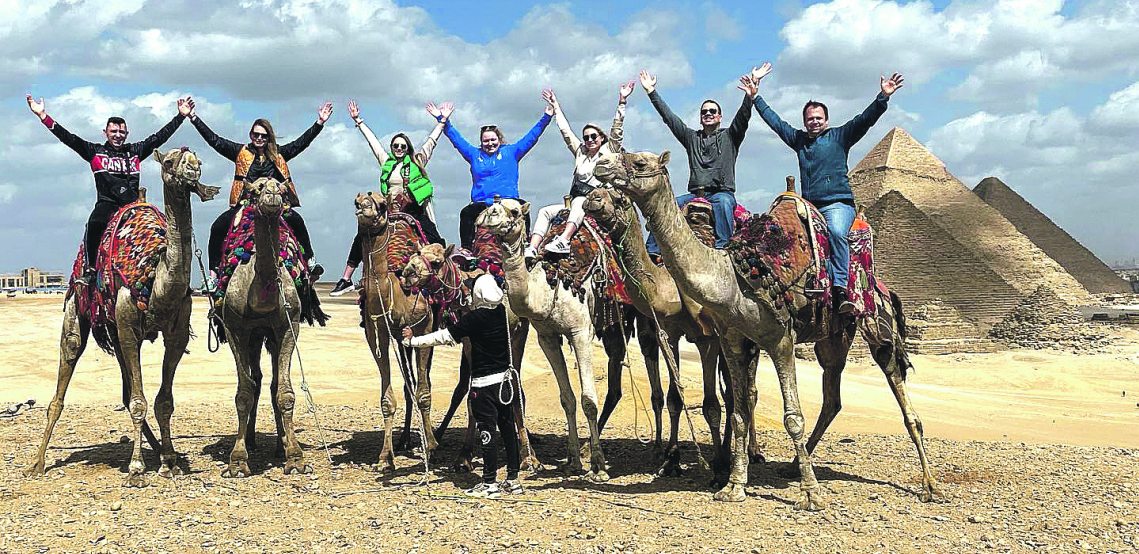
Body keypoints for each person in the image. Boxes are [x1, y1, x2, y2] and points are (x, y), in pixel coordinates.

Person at [744, 62, 904, 313]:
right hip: (808, 206)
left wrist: (882, 97)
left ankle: (840, 289)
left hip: (837, 204)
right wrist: (756, 98)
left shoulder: (840, 136)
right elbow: (775, 123)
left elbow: (865, 120)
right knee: (778, 235)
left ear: (826, 120)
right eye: (810, 119)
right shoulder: (799, 141)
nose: (814, 122)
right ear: (804, 122)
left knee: (837, 232)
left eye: (818, 118)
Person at [26, 93, 192, 285]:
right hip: (108, 205)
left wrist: (181, 116)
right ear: (105, 132)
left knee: (159, 228)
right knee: (94, 224)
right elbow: (68, 138)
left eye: (121, 132)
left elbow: (159, 138)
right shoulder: (94, 152)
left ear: (127, 134)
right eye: (113, 132)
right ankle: (89, 270)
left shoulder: (135, 151)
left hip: (133, 207)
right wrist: (43, 116)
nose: (118, 136)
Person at [189, 102, 333, 291]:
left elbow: (301, 144)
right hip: (246, 204)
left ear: (269, 137)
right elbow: (214, 140)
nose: (259, 138)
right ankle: (213, 276)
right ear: (251, 135)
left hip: (274, 205)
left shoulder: (279, 154)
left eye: (263, 136)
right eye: (256, 134)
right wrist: (193, 118)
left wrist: (319, 123)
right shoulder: (240, 152)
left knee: (297, 221)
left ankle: (310, 262)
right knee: (217, 227)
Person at [401, 274, 521, 498]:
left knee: (487, 432)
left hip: (484, 386)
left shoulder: (475, 319)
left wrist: (413, 341)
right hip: (505, 384)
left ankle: (489, 484)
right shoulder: (502, 312)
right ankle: (513, 480)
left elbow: (445, 336)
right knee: (507, 429)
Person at [330, 100, 447, 297]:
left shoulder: (417, 161)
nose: (399, 148)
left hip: (412, 210)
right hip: (391, 211)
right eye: (395, 146)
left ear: (407, 147)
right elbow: (373, 143)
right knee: (362, 235)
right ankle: (346, 278)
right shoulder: (387, 163)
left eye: (402, 145)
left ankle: (444, 274)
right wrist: (359, 121)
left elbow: (431, 142)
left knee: (433, 237)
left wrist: (441, 122)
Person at [639, 69, 755, 253]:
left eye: (712, 111)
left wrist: (749, 98)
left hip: (721, 193)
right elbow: (670, 119)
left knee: (724, 204)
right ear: (700, 117)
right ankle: (653, 251)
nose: (708, 113)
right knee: (665, 205)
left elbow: (743, 119)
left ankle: (723, 248)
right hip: (695, 194)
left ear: (719, 116)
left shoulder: (730, 136)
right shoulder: (691, 138)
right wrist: (651, 93)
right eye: (704, 111)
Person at [431, 96, 553, 249]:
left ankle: (525, 245)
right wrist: (442, 119)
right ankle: (466, 250)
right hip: (482, 203)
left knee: (523, 207)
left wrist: (546, 117)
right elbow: (456, 139)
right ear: (481, 142)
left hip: (508, 201)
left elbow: (532, 137)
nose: (490, 144)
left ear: (499, 140)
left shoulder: (512, 152)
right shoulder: (474, 154)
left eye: (493, 140)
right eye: (486, 141)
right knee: (466, 213)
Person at [527, 82, 633, 258]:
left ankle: (564, 240)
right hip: (577, 200)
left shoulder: (609, 151)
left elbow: (617, 129)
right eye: (586, 137)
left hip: (598, 202)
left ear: (601, 138)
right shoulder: (580, 152)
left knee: (579, 202)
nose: (590, 140)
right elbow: (565, 131)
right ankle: (532, 248)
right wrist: (556, 106)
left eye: (593, 136)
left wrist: (622, 102)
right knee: (544, 211)